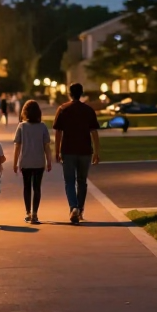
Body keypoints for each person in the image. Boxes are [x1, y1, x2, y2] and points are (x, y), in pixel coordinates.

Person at [53, 83, 100, 225]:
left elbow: (58, 132)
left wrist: (57, 151)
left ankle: (73, 207)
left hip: (68, 151)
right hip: (85, 151)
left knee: (69, 181)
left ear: (69, 93)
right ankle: (80, 210)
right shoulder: (88, 110)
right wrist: (96, 152)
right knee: (82, 181)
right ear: (82, 93)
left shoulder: (62, 109)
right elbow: (94, 132)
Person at [13, 100, 52, 225]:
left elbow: (17, 146)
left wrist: (15, 162)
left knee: (27, 187)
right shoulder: (43, 127)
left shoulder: (21, 126)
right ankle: (35, 213)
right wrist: (49, 160)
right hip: (39, 162)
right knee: (37, 187)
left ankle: (28, 213)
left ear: (25, 112)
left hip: (25, 161)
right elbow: (46, 146)